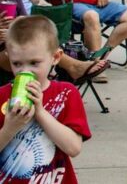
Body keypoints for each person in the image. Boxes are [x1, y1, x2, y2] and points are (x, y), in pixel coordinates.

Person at [0, 16, 90, 183]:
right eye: (17, 64)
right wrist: (10, 128)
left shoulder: (66, 93)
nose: (25, 70)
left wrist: (40, 112)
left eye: (34, 63)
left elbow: (73, 148)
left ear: (55, 57)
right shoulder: (2, 96)